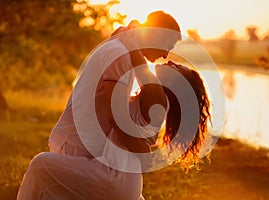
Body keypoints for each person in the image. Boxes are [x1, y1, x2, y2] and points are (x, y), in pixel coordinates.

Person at [17, 10, 211, 200]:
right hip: (114, 172)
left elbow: (119, 116)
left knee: (40, 166)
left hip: (114, 175)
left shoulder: (156, 97)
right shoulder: (142, 82)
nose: (167, 57)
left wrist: (132, 38)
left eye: (176, 67)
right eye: (167, 46)